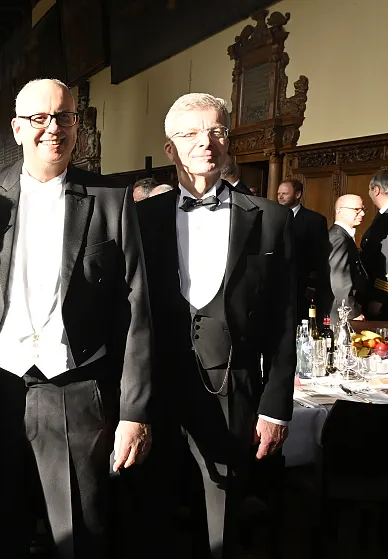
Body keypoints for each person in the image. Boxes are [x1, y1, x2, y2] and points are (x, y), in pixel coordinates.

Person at [0, 78, 152, 559]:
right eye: (40, 118)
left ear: (77, 125)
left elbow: (136, 310)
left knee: (80, 534)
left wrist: (133, 413)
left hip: (77, 394)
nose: (53, 128)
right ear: (18, 129)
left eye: (64, 116)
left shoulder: (111, 198)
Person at [136, 93, 295, 558]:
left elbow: (284, 323)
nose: (205, 143)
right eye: (189, 133)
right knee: (152, 516)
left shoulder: (271, 218)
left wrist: (276, 407)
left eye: (216, 131)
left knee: (222, 526)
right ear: (170, 149)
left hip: (235, 394)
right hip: (155, 392)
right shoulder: (138, 219)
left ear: (228, 141)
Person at [277, 179, 331, 319]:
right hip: (276, 283)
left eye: (285, 193)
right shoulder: (272, 217)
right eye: (279, 193)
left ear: (297, 194)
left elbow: (319, 255)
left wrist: (312, 285)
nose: (280, 197)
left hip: (301, 284)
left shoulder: (315, 220)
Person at [329, 194, 369, 323]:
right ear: (340, 211)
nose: (362, 213)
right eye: (356, 210)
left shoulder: (343, 235)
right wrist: (352, 311)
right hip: (341, 312)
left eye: (363, 209)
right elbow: (339, 277)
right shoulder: (339, 237)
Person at [361, 170, 388, 319]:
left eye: (369, 189)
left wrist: (379, 296)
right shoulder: (382, 215)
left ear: (376, 190)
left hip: (382, 297)